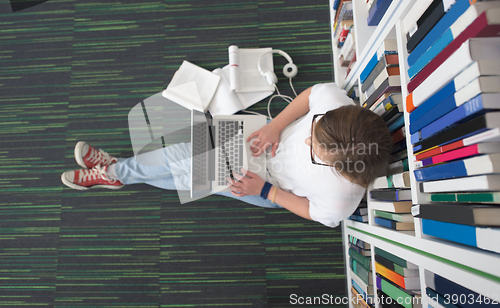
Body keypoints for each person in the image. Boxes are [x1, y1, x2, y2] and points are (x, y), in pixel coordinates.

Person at [61, 83, 393, 228]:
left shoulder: (342, 197)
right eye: (315, 131)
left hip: (266, 183)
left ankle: (116, 172)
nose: (307, 141)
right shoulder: (337, 106)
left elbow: (313, 211)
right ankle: (119, 173)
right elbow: (310, 96)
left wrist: (266, 191)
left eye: (316, 150)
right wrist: (276, 126)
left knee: (189, 168)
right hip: (261, 136)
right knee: (188, 163)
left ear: (340, 169)